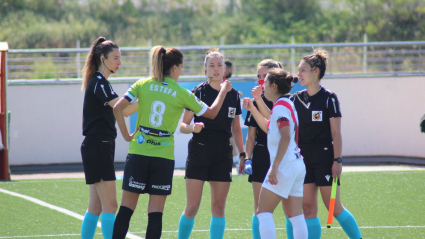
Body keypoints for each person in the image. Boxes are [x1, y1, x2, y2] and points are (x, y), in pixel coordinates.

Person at [112, 46, 232, 239]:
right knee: (155, 212)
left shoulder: (142, 84)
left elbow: (118, 108)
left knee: (126, 209)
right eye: (182, 67)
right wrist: (224, 91)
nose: (182, 71)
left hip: (138, 153)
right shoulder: (181, 92)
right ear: (174, 68)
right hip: (163, 157)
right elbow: (211, 113)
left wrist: (126, 135)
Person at [290, 48, 362, 239]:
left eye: (302, 70)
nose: (299, 74)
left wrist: (337, 160)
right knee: (307, 208)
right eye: (298, 70)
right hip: (302, 159)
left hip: (324, 157)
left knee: (333, 207)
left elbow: (336, 133)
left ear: (316, 71)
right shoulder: (295, 99)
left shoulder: (329, 98)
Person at [177, 48, 245, 239]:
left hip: (223, 152)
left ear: (225, 68)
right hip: (199, 151)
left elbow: (237, 129)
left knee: (219, 206)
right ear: (205, 68)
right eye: (212, 65)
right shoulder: (198, 92)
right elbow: (183, 125)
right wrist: (192, 128)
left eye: (219, 65)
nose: (216, 69)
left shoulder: (234, 95)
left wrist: (242, 154)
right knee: (192, 207)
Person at [243, 68, 308, 239]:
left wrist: (275, 166)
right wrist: (253, 108)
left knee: (263, 212)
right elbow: (269, 127)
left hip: (285, 165)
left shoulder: (280, 107)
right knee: (295, 215)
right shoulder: (285, 104)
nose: (262, 86)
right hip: (296, 164)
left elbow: (285, 136)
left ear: (273, 86)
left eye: (265, 83)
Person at [80, 37, 128, 239]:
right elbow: (124, 110)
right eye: (115, 58)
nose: (119, 62)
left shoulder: (101, 82)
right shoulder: (99, 82)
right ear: (103, 58)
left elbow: (122, 109)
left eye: (120, 58)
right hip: (98, 145)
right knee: (110, 205)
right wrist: (146, 97)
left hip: (97, 145)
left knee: (96, 205)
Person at [244, 59, 282, 238]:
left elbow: (273, 126)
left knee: (291, 209)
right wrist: (247, 158)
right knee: (259, 208)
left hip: (282, 156)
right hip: (261, 155)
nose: (260, 81)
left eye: (264, 77)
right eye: (258, 76)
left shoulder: (285, 101)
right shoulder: (254, 101)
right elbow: (251, 136)